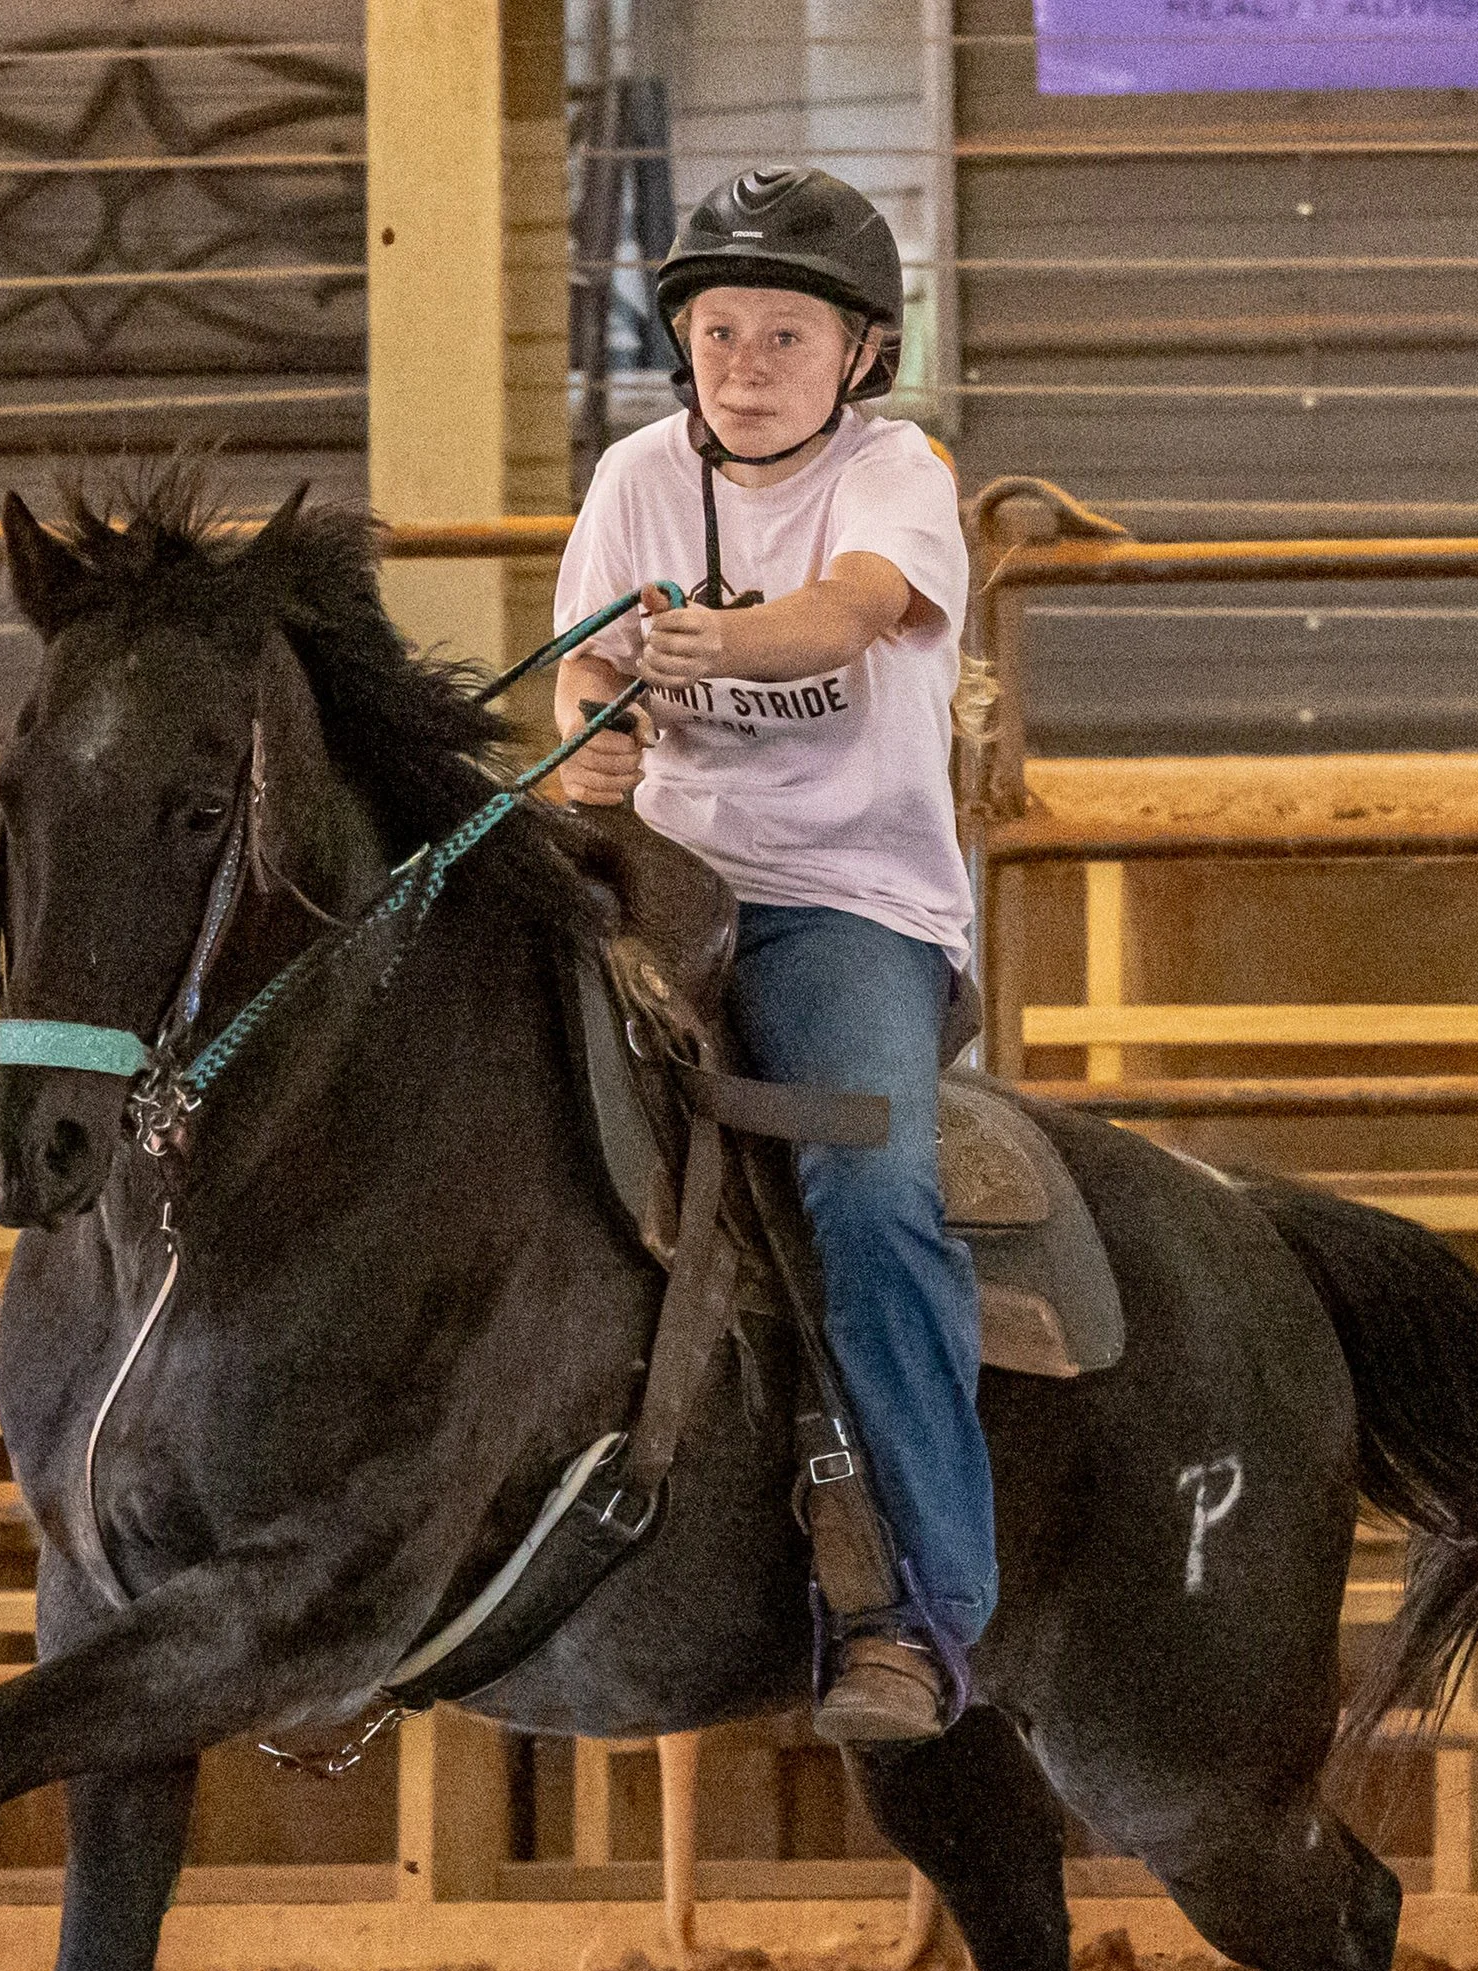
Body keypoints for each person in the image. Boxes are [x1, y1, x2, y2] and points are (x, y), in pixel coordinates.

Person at [551, 163, 995, 1746]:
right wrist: (590, 749)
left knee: (873, 1194)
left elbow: (855, 613)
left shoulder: (897, 475)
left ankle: (930, 1618)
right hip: (659, 875)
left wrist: (720, 641)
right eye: (719, 330)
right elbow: (586, 685)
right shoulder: (633, 478)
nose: (744, 363)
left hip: (848, 904)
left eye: (784, 336)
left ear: (860, 356)